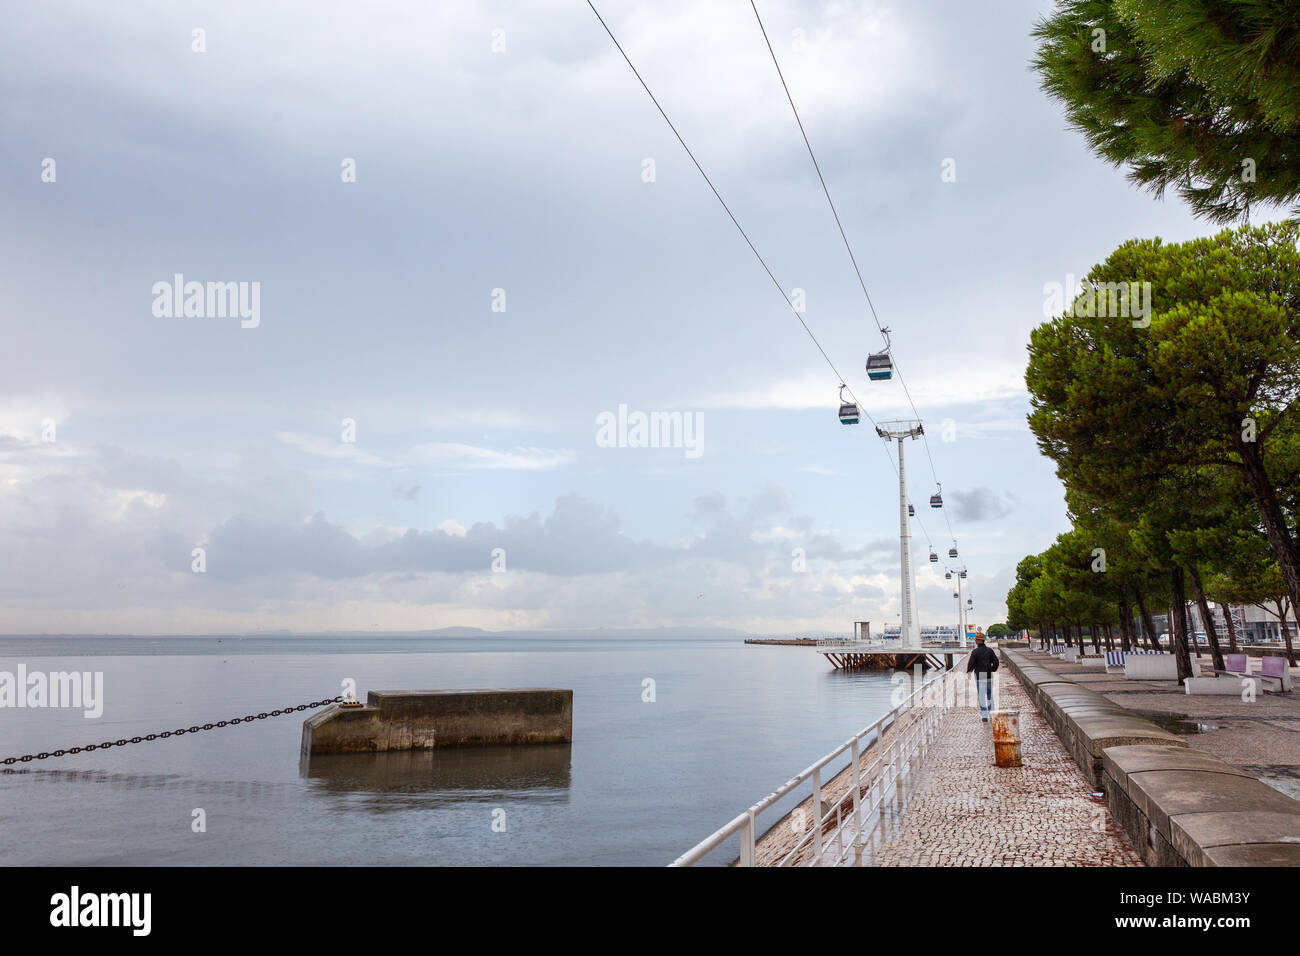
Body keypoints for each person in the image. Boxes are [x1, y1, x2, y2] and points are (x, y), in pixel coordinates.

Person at [966, 633, 999, 722]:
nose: (975, 641)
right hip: (988, 675)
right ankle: (992, 713)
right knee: (989, 694)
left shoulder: (975, 652)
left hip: (980, 676)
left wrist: (969, 672)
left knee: (981, 695)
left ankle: (984, 715)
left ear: (978, 641)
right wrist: (992, 669)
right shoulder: (990, 651)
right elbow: (996, 662)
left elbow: (971, 663)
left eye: (976, 640)